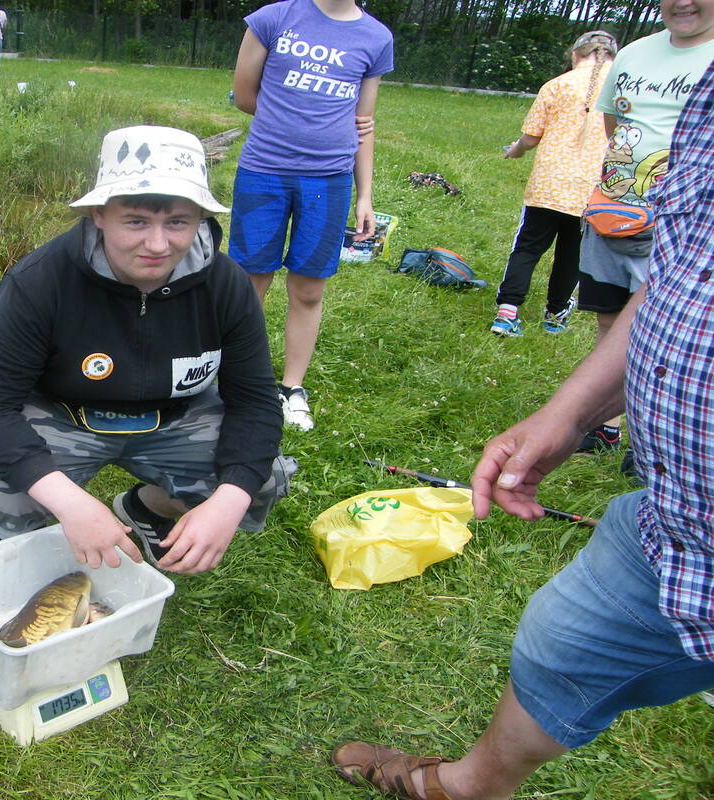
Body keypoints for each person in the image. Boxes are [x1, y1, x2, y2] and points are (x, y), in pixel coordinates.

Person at [331, 57, 714, 800]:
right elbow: (682, 276)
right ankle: (465, 787)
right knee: (564, 639)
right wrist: (569, 412)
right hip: (672, 518)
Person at [0, 125, 297, 575]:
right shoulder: (38, 282)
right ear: (99, 214)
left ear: (200, 218)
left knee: (257, 479)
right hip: (64, 414)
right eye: (136, 221)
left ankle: (147, 507)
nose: (157, 244)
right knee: (5, 493)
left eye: (177, 222)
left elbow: (254, 400)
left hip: (177, 416)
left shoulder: (226, 284)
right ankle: (43, 546)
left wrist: (229, 502)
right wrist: (70, 503)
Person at [229, 0, 393, 431]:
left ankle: (291, 388)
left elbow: (363, 123)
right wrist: (291, 117)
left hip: (328, 183)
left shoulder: (376, 38)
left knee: (308, 289)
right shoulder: (272, 18)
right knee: (249, 282)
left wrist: (365, 195)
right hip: (263, 173)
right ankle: (238, 381)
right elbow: (245, 96)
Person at [573, 0, 714, 454]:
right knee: (610, 320)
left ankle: (649, 442)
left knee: (666, 336)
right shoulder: (633, 53)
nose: (682, 3)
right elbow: (614, 123)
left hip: (682, 227)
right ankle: (606, 426)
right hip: (612, 213)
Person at [490, 31, 618, 338]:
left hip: (547, 186)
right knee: (572, 254)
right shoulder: (623, 89)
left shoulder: (557, 85)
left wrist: (516, 150)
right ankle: (556, 314)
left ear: (575, 55)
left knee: (528, 247)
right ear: (613, 58)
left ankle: (507, 312)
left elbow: (530, 138)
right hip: (592, 190)